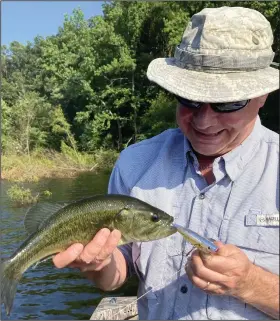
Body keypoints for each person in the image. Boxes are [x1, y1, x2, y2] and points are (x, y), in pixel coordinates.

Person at [53, 6, 279, 320]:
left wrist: (252, 284)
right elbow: (120, 269)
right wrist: (100, 265)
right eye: (190, 98)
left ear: (263, 94)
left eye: (228, 102)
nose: (204, 120)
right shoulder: (135, 163)